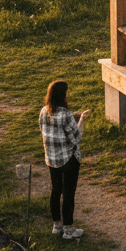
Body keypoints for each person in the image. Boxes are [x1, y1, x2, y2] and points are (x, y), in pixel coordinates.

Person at [39, 79, 91, 240]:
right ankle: (69, 229)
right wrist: (81, 119)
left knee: (56, 191)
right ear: (63, 95)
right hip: (69, 160)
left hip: (51, 159)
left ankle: (57, 225)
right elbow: (76, 138)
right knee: (68, 193)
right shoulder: (66, 115)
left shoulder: (43, 111)